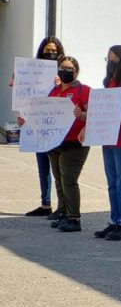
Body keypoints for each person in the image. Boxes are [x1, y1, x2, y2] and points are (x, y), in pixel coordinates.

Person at [17, 56, 90, 232]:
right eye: (62, 68)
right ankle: (64, 212)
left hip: (75, 143)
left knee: (69, 180)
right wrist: (25, 121)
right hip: (54, 142)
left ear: (76, 71)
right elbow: (41, 115)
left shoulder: (84, 90)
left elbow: (93, 114)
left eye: (69, 69)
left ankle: (74, 217)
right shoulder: (53, 91)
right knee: (58, 179)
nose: (65, 71)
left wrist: (82, 116)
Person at [94, 45, 121, 241]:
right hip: (108, 139)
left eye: (116, 60)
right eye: (109, 60)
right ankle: (115, 220)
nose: (112, 63)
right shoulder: (109, 83)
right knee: (112, 183)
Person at [19, 37, 65, 218]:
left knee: (59, 169)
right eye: (48, 50)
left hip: (55, 124)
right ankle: (45, 204)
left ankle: (63, 206)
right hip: (38, 123)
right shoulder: (33, 70)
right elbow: (25, 96)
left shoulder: (64, 69)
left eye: (54, 50)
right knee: (43, 166)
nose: (51, 53)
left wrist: (59, 83)